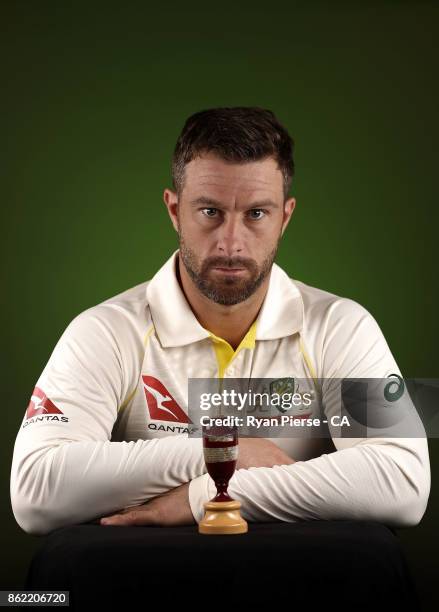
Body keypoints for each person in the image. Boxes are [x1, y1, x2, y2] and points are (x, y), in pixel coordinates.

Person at [10, 107, 430, 535]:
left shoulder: (341, 326)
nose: (231, 243)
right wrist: (229, 451)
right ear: (174, 210)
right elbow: (35, 490)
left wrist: (201, 496)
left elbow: (403, 481)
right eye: (210, 212)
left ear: (285, 217)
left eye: (256, 214)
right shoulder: (105, 331)